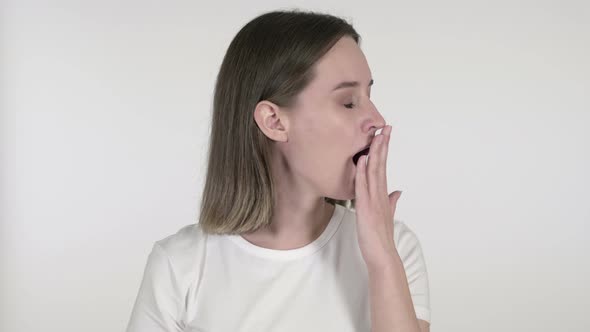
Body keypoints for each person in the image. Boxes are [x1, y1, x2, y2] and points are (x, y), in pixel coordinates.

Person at [126, 9, 431, 332]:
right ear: (274, 121)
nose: (378, 120)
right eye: (348, 102)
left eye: (369, 95)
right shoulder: (180, 265)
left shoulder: (395, 248)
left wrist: (383, 259)